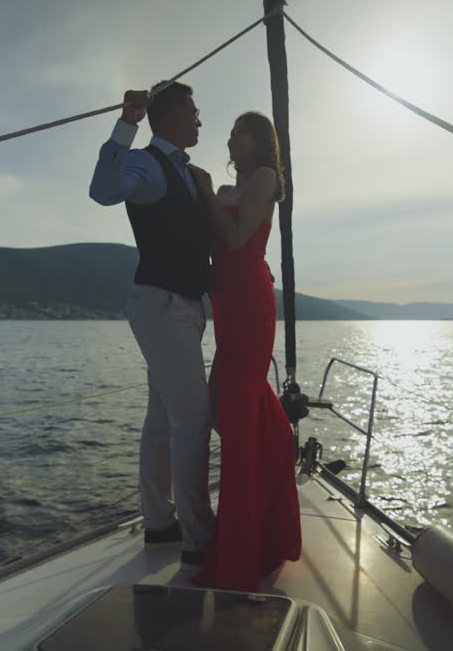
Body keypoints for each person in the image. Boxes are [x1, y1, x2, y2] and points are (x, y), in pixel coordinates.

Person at [89, 82, 213, 568]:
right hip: (162, 304)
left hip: (177, 305)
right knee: (194, 420)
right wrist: (128, 123)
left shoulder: (183, 171)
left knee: (162, 418)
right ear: (173, 116)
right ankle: (200, 539)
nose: (201, 120)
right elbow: (103, 191)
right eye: (195, 111)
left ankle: (161, 524)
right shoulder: (146, 162)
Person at [187, 111, 302, 592]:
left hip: (250, 302)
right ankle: (271, 523)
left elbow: (235, 241)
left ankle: (238, 556)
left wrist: (209, 192)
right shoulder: (226, 193)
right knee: (241, 414)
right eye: (230, 129)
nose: (231, 136)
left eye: (240, 130)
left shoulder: (265, 179)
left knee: (236, 418)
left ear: (258, 141)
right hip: (227, 303)